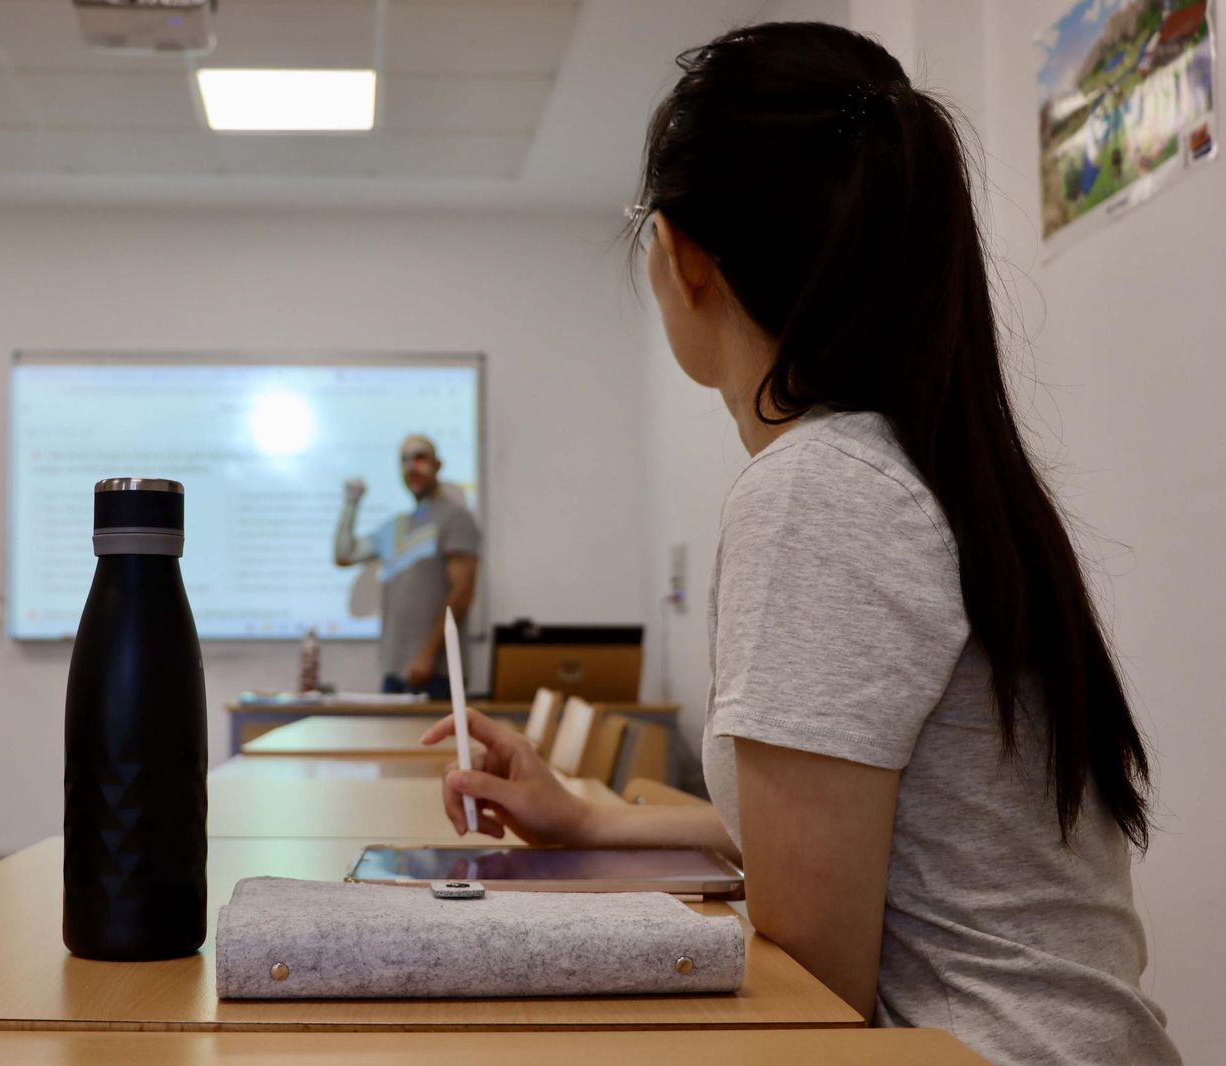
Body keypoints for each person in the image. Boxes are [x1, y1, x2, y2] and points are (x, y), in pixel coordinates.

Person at [422, 22, 1178, 1066]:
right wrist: (584, 822)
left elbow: (810, 980)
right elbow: (830, 851)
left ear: (682, 256)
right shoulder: (917, 463)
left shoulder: (818, 491)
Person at [334, 434, 479, 698]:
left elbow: (463, 592)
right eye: (404, 460)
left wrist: (427, 655)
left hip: (436, 674)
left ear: (438, 465)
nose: (412, 466)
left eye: (420, 457)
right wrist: (350, 504)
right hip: (394, 670)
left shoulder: (455, 518)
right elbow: (344, 555)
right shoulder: (396, 526)